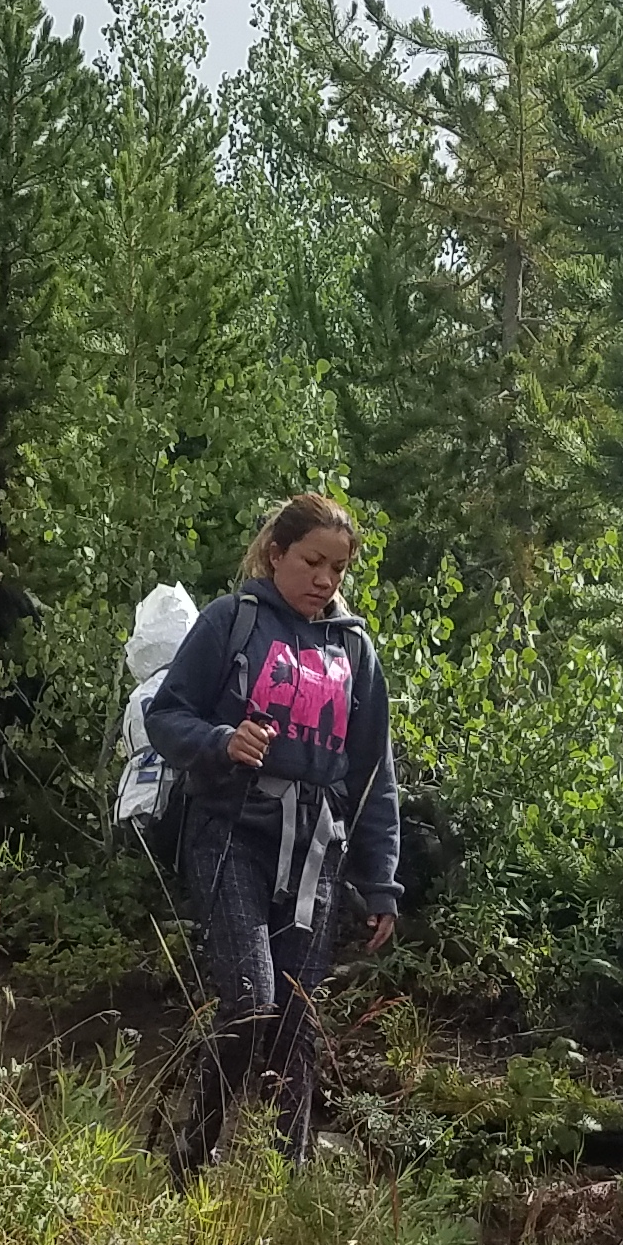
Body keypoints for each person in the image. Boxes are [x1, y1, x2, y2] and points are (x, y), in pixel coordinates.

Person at [142, 493, 403, 1172]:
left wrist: (381, 879)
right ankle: (190, 1156)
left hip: (318, 852)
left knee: (297, 1026)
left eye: (339, 569)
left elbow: (375, 773)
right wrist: (222, 739)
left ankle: (281, 1190)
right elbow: (167, 717)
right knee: (252, 1004)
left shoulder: (354, 650)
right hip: (230, 834)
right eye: (313, 561)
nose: (325, 579)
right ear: (275, 554)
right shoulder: (234, 621)